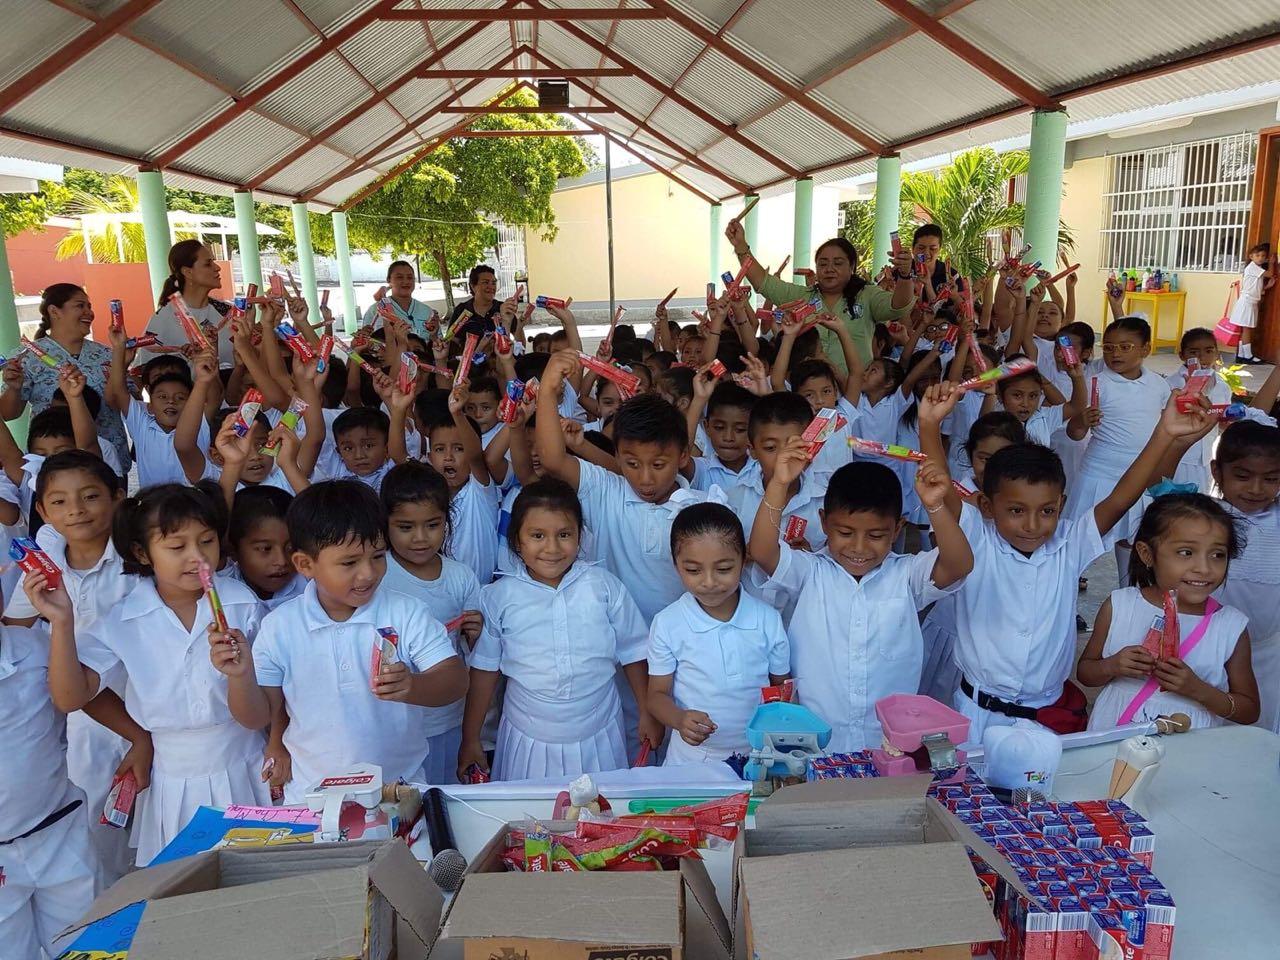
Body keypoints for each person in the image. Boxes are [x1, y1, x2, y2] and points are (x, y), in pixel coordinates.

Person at [919, 385, 1216, 744]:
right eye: (1016, 511)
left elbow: (1123, 495)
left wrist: (1165, 433)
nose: (1032, 525)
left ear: (1061, 503)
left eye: (1047, 511)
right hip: (975, 715)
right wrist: (929, 426)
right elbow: (940, 487)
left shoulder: (1069, 543)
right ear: (985, 506)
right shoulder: (976, 539)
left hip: (1047, 720)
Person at [39, 484, 269, 865]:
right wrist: (62, 621)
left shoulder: (244, 606)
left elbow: (256, 718)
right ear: (142, 553)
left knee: (257, 883)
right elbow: (72, 697)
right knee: (182, 889)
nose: (198, 558)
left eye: (207, 541)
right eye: (177, 548)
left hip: (246, 766)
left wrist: (240, 675)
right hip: (170, 780)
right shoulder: (123, 619)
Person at [218, 481, 468, 803]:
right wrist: (240, 676)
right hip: (312, 797)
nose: (368, 573)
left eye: (378, 556)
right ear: (305, 565)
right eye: (349, 563)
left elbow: (455, 680)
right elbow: (257, 717)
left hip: (398, 792)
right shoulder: (281, 626)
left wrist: (414, 686)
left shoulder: (406, 612)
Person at [749, 447, 972, 752]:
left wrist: (934, 506)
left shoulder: (907, 575)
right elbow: (761, 550)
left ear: (897, 529)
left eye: (876, 535)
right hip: (818, 743)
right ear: (824, 522)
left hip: (889, 745)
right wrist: (778, 484)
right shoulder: (810, 571)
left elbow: (959, 564)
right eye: (845, 532)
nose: (859, 547)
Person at [2, 452, 144, 888]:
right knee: (101, 837)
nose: (76, 510)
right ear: (41, 510)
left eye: (89, 497)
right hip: (86, 719)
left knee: (156, 833)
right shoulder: (45, 560)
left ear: (118, 497)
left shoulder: (140, 561)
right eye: (59, 502)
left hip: (147, 706)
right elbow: (17, 626)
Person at [457, 478, 657, 781]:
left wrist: (646, 711)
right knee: (528, 819)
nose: (552, 548)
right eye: (537, 535)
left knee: (598, 816)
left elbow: (634, 652)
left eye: (564, 535)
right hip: (527, 735)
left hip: (599, 730)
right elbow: (485, 671)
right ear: (516, 540)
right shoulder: (499, 597)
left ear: (580, 538)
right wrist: (471, 738)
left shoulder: (603, 587)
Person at [1079, 493, 1258, 730]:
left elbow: (1249, 710)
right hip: (1114, 735)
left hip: (1190, 748)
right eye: (1186, 553)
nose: (1204, 568)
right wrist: (1112, 665)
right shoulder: (1121, 605)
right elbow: (1085, 673)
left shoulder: (1229, 627)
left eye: (1217, 555)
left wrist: (1198, 689)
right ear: (1146, 554)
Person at [647, 503, 790, 765]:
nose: (709, 582)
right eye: (693, 570)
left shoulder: (767, 620)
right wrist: (679, 719)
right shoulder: (668, 623)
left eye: (723, 569)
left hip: (760, 758)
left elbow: (783, 688)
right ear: (675, 563)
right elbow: (656, 696)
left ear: (744, 559)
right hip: (692, 760)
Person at [0, 615, 97, 960]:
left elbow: (80, 692)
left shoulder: (33, 647)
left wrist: (136, 737)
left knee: (85, 944)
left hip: (56, 829)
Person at [380, 462, 483, 784]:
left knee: (443, 802)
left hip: (449, 717)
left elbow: (477, 654)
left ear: (447, 522)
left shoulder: (460, 576)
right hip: (393, 722)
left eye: (433, 524)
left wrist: (475, 635)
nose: (421, 538)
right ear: (385, 524)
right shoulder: (377, 575)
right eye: (406, 527)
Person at [726, 224, 915, 372]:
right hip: (808, 394)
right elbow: (764, 283)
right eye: (823, 263)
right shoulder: (802, 297)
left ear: (852, 267)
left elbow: (899, 305)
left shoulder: (867, 294)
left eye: (838, 263)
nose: (829, 269)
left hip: (853, 394)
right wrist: (740, 246)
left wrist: (905, 275)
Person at [0, 283, 129, 471]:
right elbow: (8, 414)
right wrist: (14, 388)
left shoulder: (108, 355)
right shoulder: (26, 357)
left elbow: (127, 406)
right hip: (52, 463)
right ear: (54, 311)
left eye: (89, 307)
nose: (89, 312)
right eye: (80, 306)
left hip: (107, 461)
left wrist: (123, 364)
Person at [142, 240, 233, 366]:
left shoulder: (227, 311)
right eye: (208, 264)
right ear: (187, 272)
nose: (217, 267)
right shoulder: (163, 318)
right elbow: (142, 371)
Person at [224, 486, 306, 609]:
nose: (282, 561)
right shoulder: (224, 587)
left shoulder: (311, 586)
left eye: (291, 547)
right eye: (265, 549)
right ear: (233, 549)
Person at [361, 260, 442, 337]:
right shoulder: (376, 310)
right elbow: (366, 342)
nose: (406, 281)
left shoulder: (427, 312)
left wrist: (434, 336)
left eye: (410, 277)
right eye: (399, 277)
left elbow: (439, 341)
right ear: (389, 280)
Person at [1230, 242, 1273, 364]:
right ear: (1251, 257)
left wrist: (1267, 287)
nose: (1260, 258)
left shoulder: (1256, 270)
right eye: (1257, 255)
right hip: (1247, 302)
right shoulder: (1253, 267)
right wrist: (1272, 262)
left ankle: (1242, 355)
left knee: (1245, 329)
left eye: (1263, 256)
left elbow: (1256, 288)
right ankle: (1247, 356)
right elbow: (1270, 274)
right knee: (1247, 329)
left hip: (1250, 301)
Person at [448, 264, 510, 339]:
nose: (491, 287)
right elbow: (450, 341)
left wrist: (520, 323)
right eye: (486, 282)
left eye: (493, 283)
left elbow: (520, 341)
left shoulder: (502, 308)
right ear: (473, 286)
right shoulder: (461, 310)